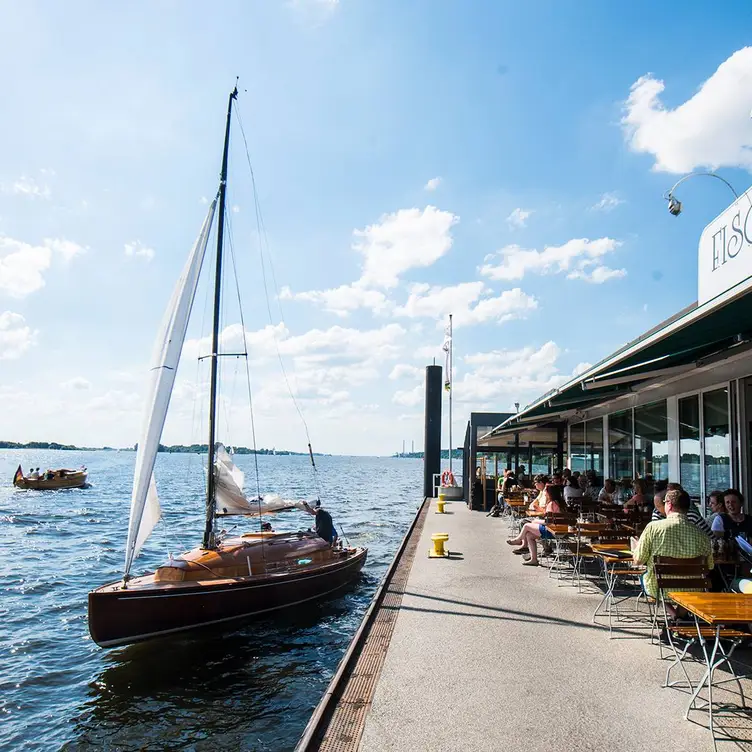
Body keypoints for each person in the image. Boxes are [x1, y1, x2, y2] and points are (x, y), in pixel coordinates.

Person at [632, 489, 713, 600]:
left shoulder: (653, 528)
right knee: (689, 588)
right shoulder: (702, 534)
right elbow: (710, 566)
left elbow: (638, 561)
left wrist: (637, 548)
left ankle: (674, 614)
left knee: (646, 578)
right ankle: (680, 613)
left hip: (659, 589)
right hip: (694, 589)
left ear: (669, 504)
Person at [506, 484, 566, 567]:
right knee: (529, 535)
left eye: (546, 491)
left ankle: (518, 540)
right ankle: (533, 559)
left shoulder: (551, 504)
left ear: (550, 493)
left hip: (551, 530)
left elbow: (548, 522)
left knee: (527, 525)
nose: (544, 493)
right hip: (559, 530)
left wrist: (536, 521)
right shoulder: (559, 503)